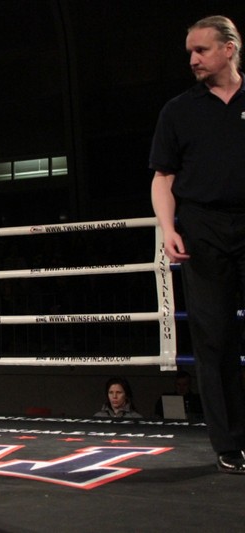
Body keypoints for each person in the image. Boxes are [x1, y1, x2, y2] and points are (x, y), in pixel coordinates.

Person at [149, 15, 245, 473]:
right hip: (203, 229)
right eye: (189, 51)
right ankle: (229, 443)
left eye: (201, 50)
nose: (193, 59)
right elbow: (162, 177)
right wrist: (168, 228)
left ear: (229, 48)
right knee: (214, 338)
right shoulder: (178, 110)